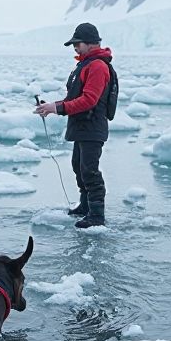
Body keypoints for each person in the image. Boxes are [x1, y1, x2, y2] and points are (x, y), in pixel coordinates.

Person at [35, 22, 114, 228]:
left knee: (90, 171)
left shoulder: (97, 66)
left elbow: (89, 100)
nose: (74, 48)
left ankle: (97, 216)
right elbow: (76, 97)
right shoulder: (86, 64)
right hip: (83, 127)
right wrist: (52, 106)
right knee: (79, 167)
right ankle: (86, 206)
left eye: (76, 44)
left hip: (92, 128)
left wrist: (57, 108)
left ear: (89, 43)